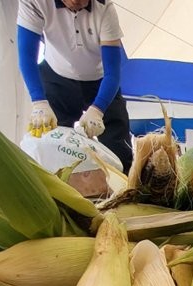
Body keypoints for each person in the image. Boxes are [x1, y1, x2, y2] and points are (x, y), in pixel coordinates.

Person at [17, 0, 133, 172]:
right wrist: (38, 101)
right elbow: (26, 57)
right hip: (56, 76)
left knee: (119, 145)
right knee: (53, 144)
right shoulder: (34, 2)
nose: (78, 4)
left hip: (101, 81)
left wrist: (98, 109)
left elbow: (113, 73)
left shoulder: (105, 8)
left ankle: (125, 190)